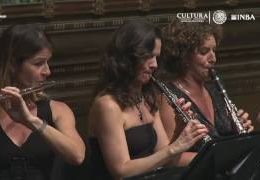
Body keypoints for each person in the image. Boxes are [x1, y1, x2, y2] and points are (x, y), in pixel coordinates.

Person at [0, 24, 85, 180]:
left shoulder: (58, 110)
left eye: (48, 62)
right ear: (12, 65)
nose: (47, 71)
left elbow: (77, 156)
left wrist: (31, 121)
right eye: (38, 63)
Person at [86, 20, 208, 180]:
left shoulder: (145, 98)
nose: (154, 65)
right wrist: (175, 148)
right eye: (148, 57)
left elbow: (166, 160)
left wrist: (180, 130)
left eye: (156, 57)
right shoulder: (107, 105)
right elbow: (121, 171)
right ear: (127, 57)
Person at [159, 20, 254, 163]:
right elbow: (169, 158)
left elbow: (226, 142)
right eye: (204, 52)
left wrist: (239, 131)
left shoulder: (215, 91)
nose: (213, 58)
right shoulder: (168, 97)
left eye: (213, 50)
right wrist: (223, 157)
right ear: (184, 56)